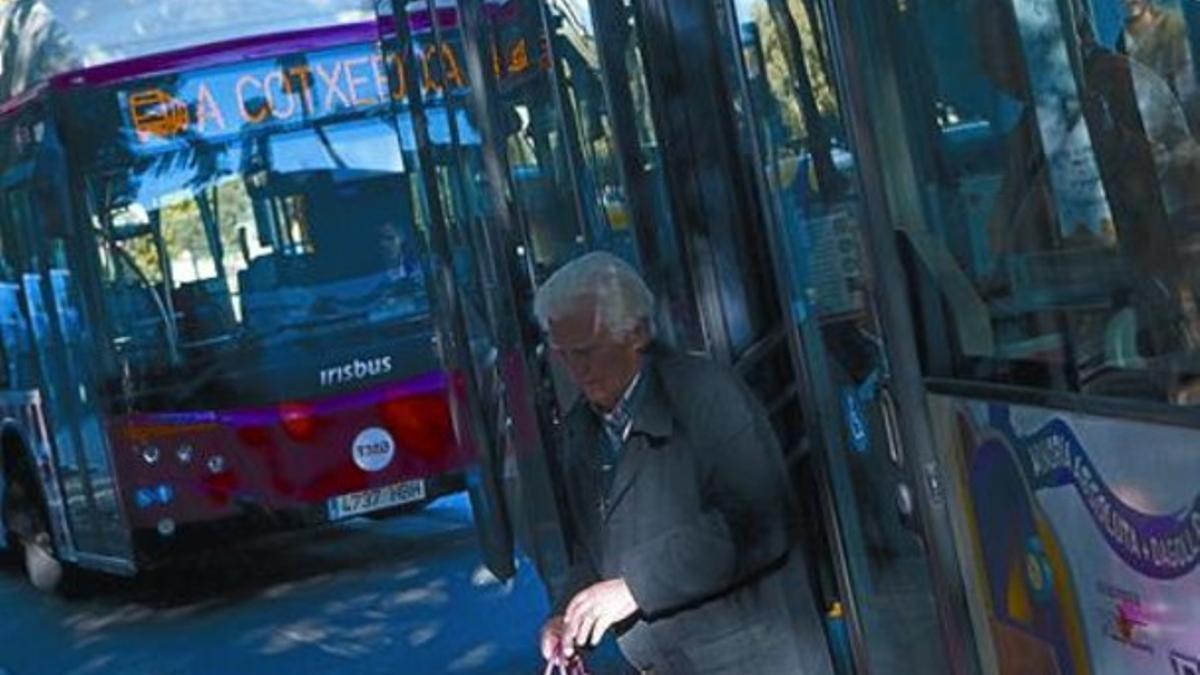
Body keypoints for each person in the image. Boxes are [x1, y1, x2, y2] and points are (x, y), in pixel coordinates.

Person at [533, 251, 833, 674]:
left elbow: (760, 522)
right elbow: (594, 550)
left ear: (635, 334)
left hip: (752, 656)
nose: (576, 371)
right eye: (563, 355)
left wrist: (634, 588)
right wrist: (568, 617)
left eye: (587, 351)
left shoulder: (705, 394)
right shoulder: (581, 431)